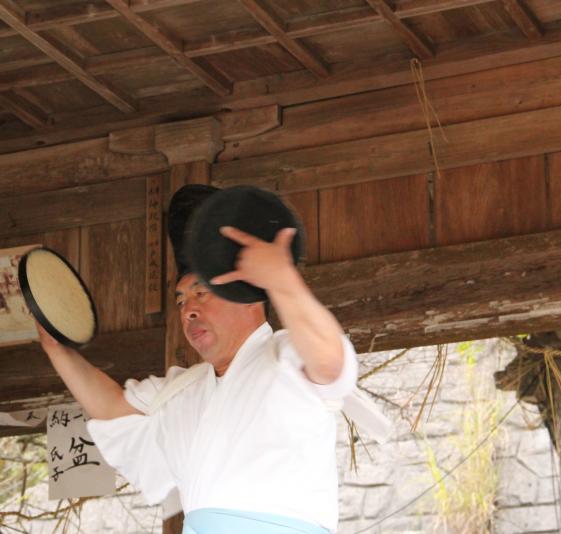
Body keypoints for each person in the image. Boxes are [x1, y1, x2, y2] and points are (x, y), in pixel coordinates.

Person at [36, 185, 359, 533]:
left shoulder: (286, 357)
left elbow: (329, 362)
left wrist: (282, 280)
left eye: (201, 293)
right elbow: (115, 409)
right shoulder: (180, 391)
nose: (189, 310)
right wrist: (57, 350)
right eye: (181, 301)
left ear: (247, 298)